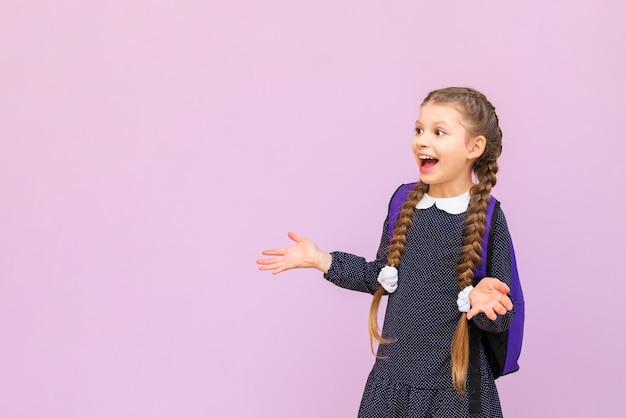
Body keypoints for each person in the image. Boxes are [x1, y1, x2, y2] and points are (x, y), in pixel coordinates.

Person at [257, 87, 516, 418]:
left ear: (474, 147)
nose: (422, 140)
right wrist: (321, 259)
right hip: (392, 384)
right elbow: (381, 275)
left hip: (456, 393)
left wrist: (485, 302)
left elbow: (503, 316)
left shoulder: (490, 217)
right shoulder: (403, 201)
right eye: (419, 129)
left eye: (438, 132)